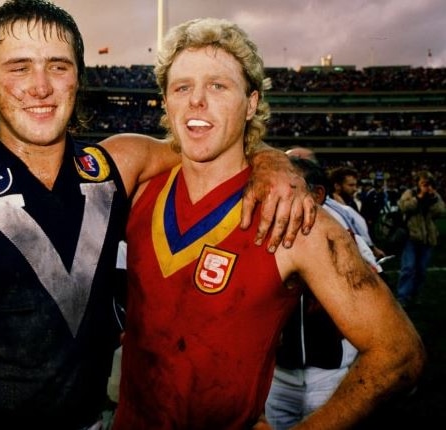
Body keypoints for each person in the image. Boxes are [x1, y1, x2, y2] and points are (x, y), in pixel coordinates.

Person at [0, 2, 315, 429]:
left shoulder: (118, 163)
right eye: (19, 67)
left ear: (78, 76)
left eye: (58, 66)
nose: (40, 86)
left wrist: (275, 160)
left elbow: (213, 143)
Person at [113, 18, 424, 429]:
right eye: (182, 87)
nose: (196, 101)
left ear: (253, 102)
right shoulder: (138, 188)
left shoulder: (295, 218)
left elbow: (399, 353)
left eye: (218, 86)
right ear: (166, 102)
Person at [265, 153, 384, 429]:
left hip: (329, 374)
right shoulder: (264, 234)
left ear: (317, 194)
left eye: (289, 187)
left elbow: (377, 308)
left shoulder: (348, 240)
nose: (276, 195)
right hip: (277, 376)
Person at [395, 170, 446, 308]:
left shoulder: (434, 196)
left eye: (428, 183)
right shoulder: (410, 194)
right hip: (411, 236)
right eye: (423, 183)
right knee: (408, 268)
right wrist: (419, 197)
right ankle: (402, 296)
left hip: (428, 238)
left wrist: (432, 198)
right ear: (417, 183)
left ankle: (415, 295)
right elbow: (403, 207)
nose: (426, 186)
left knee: (421, 270)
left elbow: (441, 211)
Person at [327, 166, 386, 259]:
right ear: (337, 186)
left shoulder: (351, 203)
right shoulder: (328, 208)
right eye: (350, 185)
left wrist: (373, 248)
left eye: (355, 185)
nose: (355, 189)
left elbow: (359, 229)